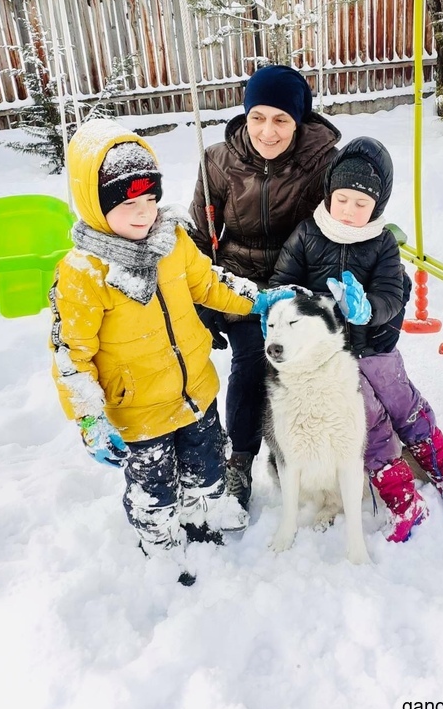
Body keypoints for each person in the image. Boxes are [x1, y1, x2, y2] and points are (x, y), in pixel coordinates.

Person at [50, 119, 291, 582]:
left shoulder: (172, 241)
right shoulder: (83, 274)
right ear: (94, 207)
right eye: (127, 205)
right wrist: (88, 418)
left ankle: (206, 520)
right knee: (153, 489)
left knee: (208, 466)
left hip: (195, 391)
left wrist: (259, 299)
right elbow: (70, 357)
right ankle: (160, 542)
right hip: (137, 413)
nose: (144, 214)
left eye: (150, 199)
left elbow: (209, 283)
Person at [270, 136, 443, 542]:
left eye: (361, 204)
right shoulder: (307, 233)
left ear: (377, 207)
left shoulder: (381, 242)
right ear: (330, 192)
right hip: (334, 362)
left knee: (406, 407)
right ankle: (403, 502)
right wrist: (306, 304)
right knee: (369, 427)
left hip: (379, 346)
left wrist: (368, 308)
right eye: (342, 199)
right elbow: (282, 284)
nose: (349, 211)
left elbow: (390, 293)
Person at [189, 65, 340, 509]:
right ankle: (239, 458)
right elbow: (200, 237)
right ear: (245, 115)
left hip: (296, 282)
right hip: (236, 282)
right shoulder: (217, 160)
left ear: (299, 121)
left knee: (314, 364)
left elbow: (334, 231)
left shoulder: (322, 163)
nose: (267, 131)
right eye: (258, 117)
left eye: (281, 120)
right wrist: (203, 300)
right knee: (254, 358)